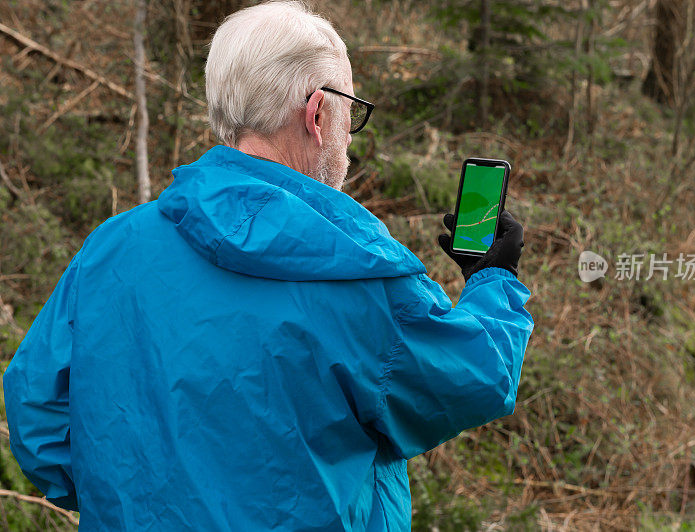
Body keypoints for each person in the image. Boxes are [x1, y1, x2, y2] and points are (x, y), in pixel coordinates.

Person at [3, 1, 534, 530]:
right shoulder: (358, 274)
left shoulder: (109, 249)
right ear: (318, 113)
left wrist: (133, 498)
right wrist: (493, 280)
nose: (351, 134)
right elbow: (476, 376)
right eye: (353, 113)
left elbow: (39, 417)